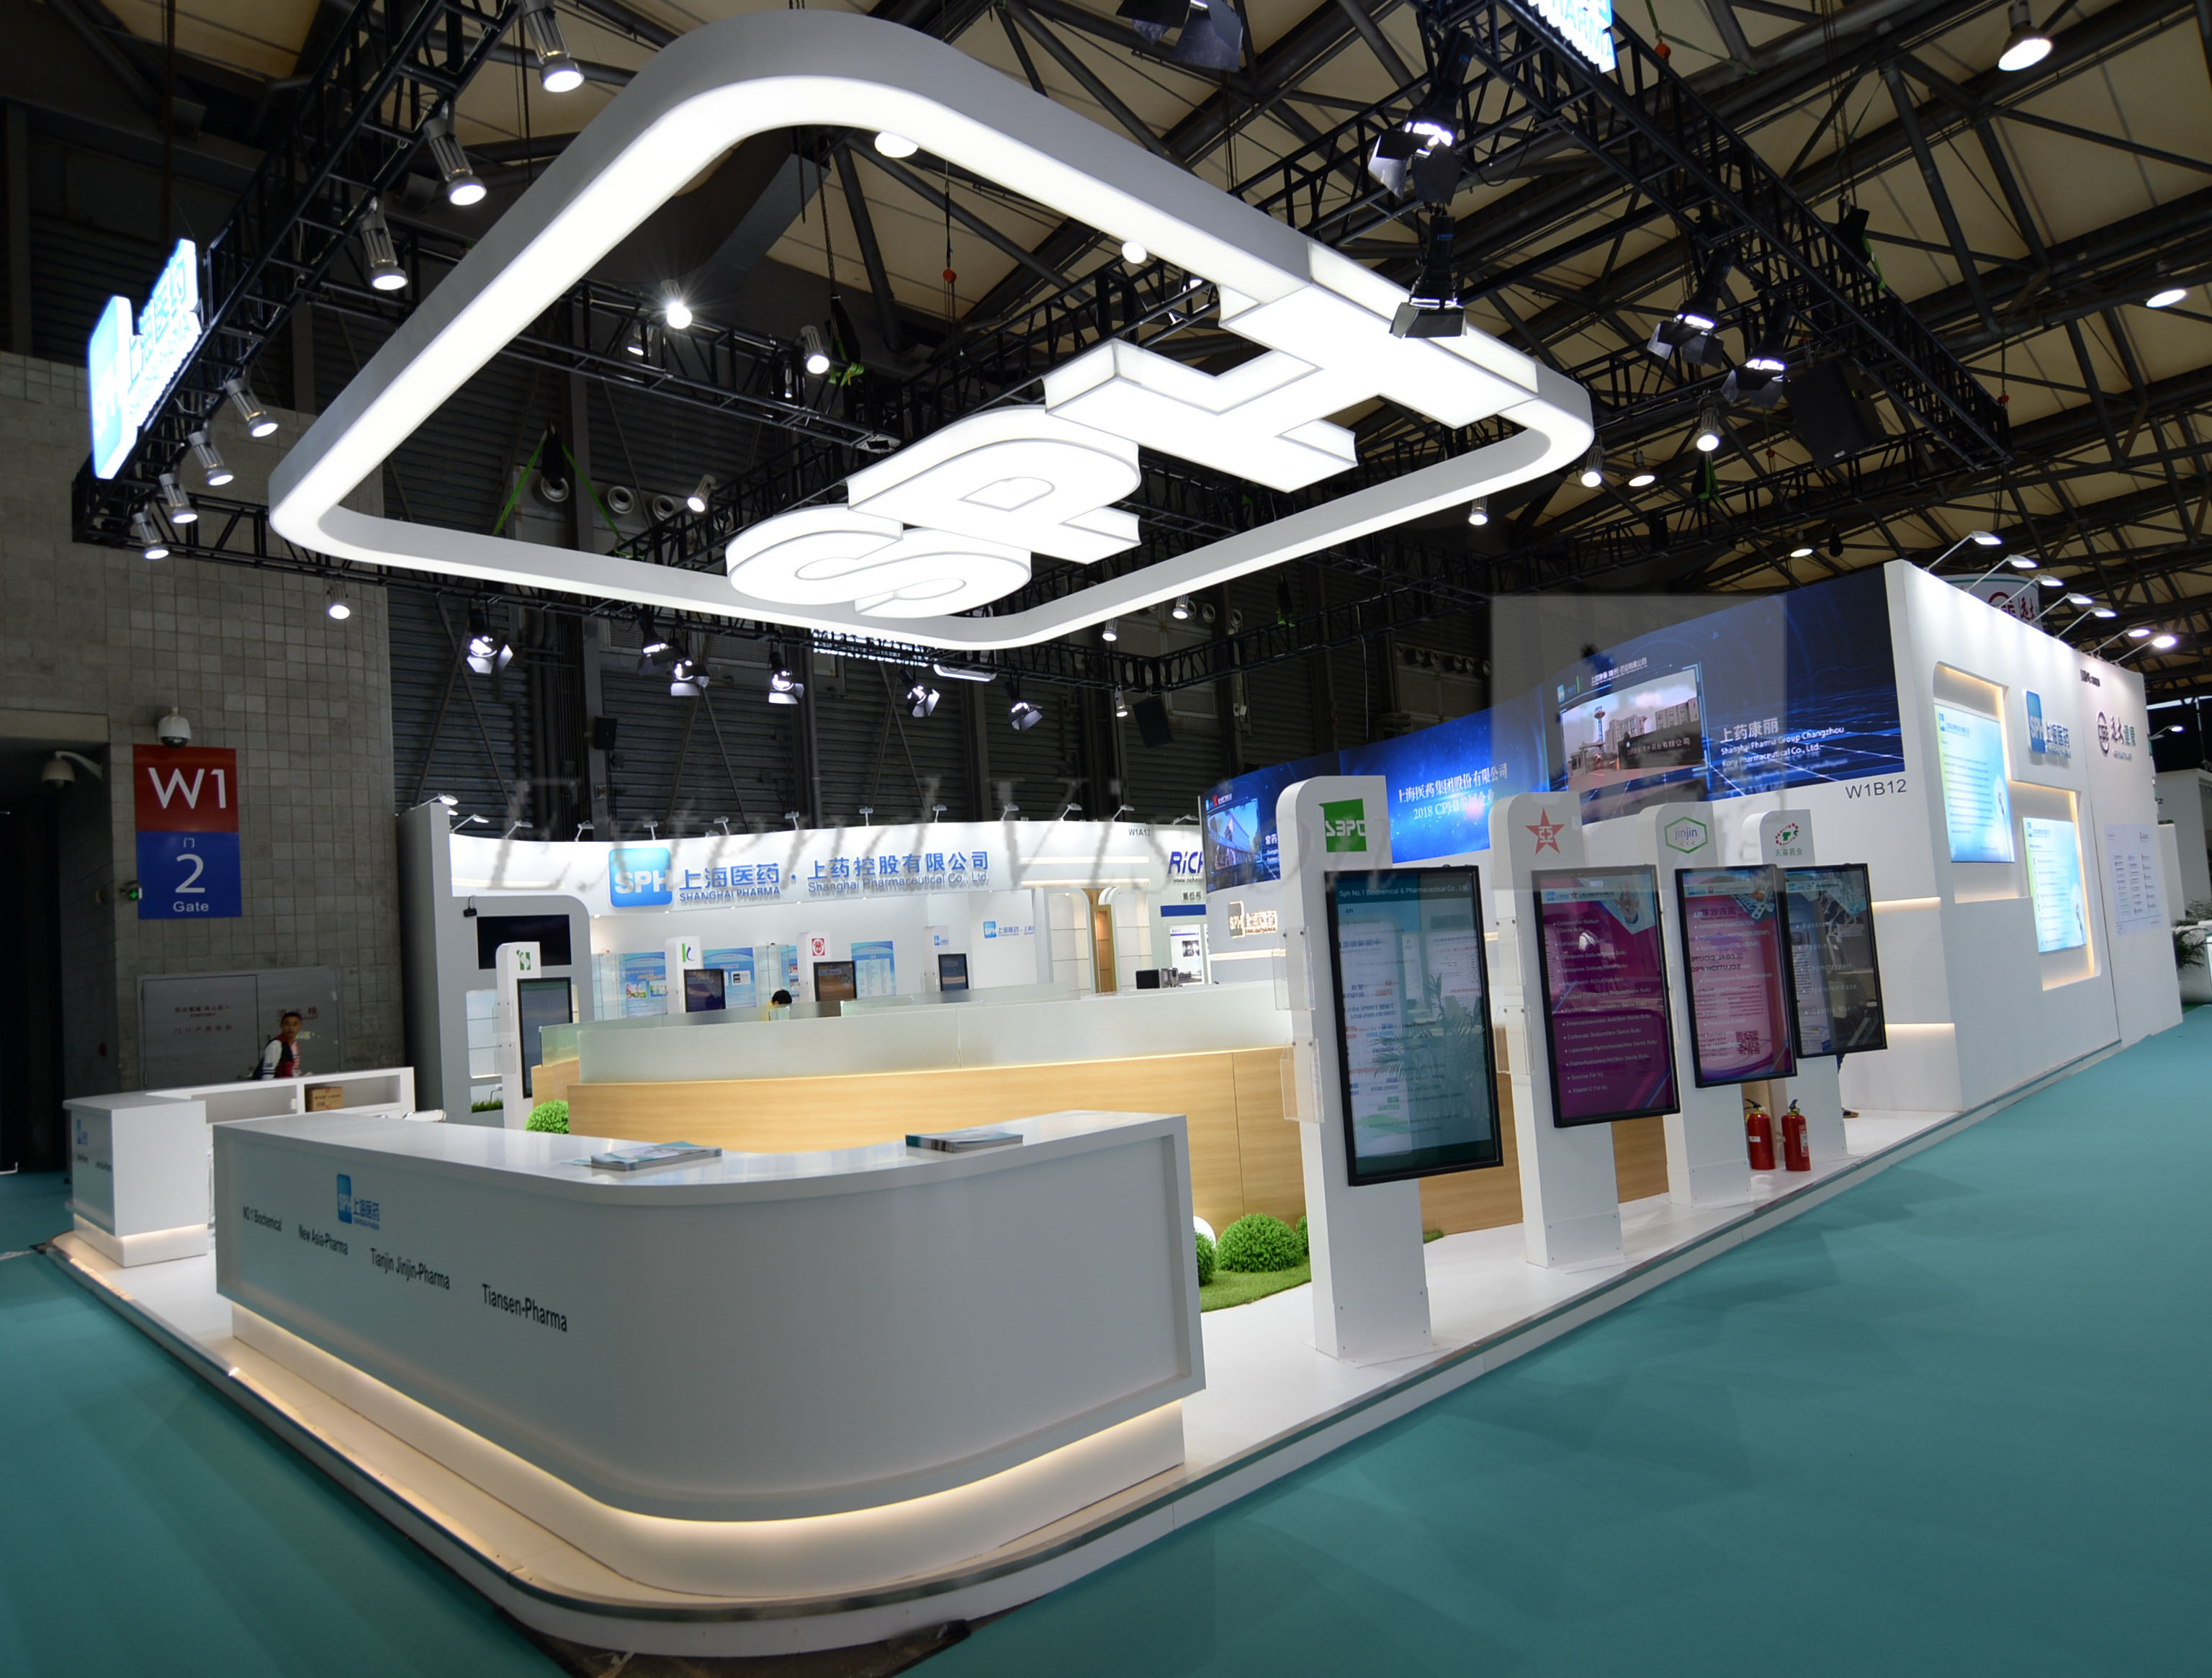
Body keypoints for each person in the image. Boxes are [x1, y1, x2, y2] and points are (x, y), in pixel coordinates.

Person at [253, 1010, 304, 1080]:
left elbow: (295, 1070)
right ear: (281, 1026)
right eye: (287, 1024)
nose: (291, 1028)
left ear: (300, 1026)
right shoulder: (276, 1045)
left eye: (295, 1024)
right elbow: (267, 1077)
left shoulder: (295, 1045)